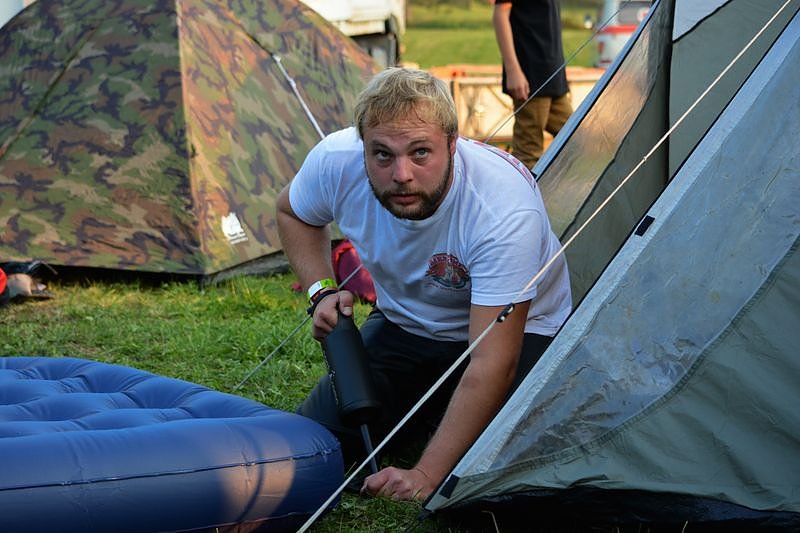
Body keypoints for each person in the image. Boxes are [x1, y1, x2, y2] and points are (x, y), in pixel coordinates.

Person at [275, 67, 571, 501]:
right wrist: (321, 289)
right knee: (312, 446)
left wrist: (427, 475)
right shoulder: (335, 161)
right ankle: (428, 404)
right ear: (362, 146)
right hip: (404, 324)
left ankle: (440, 419)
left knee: (502, 475)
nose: (401, 175)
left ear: (453, 144)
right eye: (382, 155)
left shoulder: (503, 211)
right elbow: (293, 212)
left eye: (420, 153)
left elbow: (493, 361)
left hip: (520, 334)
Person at [493, 0, 573, 170]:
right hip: (530, 75)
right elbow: (500, 14)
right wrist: (513, 70)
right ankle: (522, 196)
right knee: (527, 155)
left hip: (553, 72)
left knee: (575, 138)